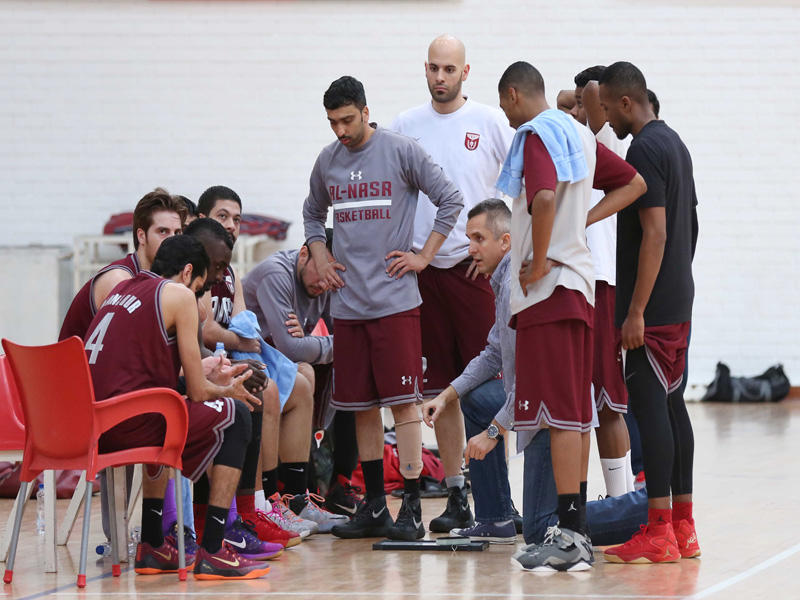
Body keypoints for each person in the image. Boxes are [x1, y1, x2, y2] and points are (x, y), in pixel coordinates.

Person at [495, 61, 645, 572]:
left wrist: (538, 258)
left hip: (552, 290)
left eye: (504, 107)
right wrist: (581, 223)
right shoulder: (579, 135)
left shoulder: (537, 133)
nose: (508, 120)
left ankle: (570, 535)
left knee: (562, 414)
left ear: (513, 95)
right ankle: (574, 529)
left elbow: (540, 196)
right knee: (577, 413)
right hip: (579, 288)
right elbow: (633, 183)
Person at [303, 75, 463, 541]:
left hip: (395, 304)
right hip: (349, 307)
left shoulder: (400, 150)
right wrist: (319, 253)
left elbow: (450, 199)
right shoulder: (327, 161)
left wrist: (424, 256)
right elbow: (313, 213)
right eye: (332, 122)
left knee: (403, 405)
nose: (340, 131)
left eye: (348, 120)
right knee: (361, 408)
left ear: (366, 111)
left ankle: (411, 507)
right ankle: (375, 506)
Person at [84, 234, 274, 580]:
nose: (199, 299)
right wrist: (229, 390)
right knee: (238, 417)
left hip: (92, 428)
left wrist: (202, 380)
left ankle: (153, 544)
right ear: (188, 273)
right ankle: (215, 549)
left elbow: (158, 382)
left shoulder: (122, 290)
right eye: (201, 288)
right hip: (129, 425)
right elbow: (201, 394)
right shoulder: (179, 295)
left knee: (164, 414)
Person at [391, 34, 514, 532]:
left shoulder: (489, 121)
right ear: (425, 69)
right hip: (426, 275)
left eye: (449, 69)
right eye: (433, 69)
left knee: (488, 384)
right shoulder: (405, 126)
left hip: (473, 268)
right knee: (440, 388)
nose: (440, 77)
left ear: (466, 72)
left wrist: (509, 252)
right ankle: (459, 493)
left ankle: (498, 502)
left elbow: (519, 187)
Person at [598, 61, 700, 563]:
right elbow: (690, 228)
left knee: (652, 411)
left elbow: (656, 233)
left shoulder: (643, 148)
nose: (607, 121)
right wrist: (679, 282)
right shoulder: (676, 144)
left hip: (653, 309)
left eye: (607, 109)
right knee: (675, 407)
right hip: (679, 298)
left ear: (625, 102)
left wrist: (636, 308)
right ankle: (683, 526)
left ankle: (658, 530)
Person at [196, 186, 321, 538]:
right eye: (223, 217)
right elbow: (207, 332)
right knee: (264, 389)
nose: (232, 225)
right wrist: (237, 340)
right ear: (202, 218)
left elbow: (241, 324)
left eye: (237, 219)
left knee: (299, 385)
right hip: (204, 365)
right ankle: (260, 503)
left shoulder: (230, 271)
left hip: (228, 359)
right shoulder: (195, 268)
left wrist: (238, 340)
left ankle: (292, 496)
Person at [242, 229, 361, 518]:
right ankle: (286, 492)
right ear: (305, 253)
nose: (325, 283)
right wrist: (331, 344)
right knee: (304, 373)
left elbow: (351, 339)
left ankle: (336, 483)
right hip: (248, 359)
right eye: (321, 273)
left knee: (352, 373)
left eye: (332, 277)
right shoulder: (276, 274)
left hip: (276, 361)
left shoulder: (325, 283)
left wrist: (323, 344)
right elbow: (293, 348)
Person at [423, 199, 517, 543]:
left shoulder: (515, 285)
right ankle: (496, 518)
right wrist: (447, 395)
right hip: (529, 398)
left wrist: (492, 434)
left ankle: (636, 510)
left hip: (548, 407)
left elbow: (531, 383)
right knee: (476, 397)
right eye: (469, 238)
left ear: (505, 241)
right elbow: (493, 353)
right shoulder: (501, 280)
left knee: (552, 525)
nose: (470, 248)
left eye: (479, 239)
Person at [574, 65, 636, 497]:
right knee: (583, 402)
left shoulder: (608, 138)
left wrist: (583, 97)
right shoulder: (580, 141)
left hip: (602, 283)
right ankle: (614, 499)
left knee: (607, 402)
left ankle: (622, 499)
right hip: (581, 282)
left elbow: (565, 99)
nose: (575, 110)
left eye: (584, 103)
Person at [60, 188, 185, 341]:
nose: (173, 240)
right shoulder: (119, 279)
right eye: (163, 231)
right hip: (77, 364)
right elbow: (138, 346)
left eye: (177, 233)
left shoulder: (158, 278)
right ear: (141, 236)